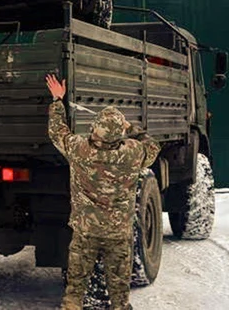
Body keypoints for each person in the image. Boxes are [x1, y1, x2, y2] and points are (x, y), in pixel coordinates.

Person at [46, 73, 160, 310]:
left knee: (75, 289)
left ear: (95, 129)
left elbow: (57, 131)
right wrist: (132, 128)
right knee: (119, 292)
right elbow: (153, 146)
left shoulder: (79, 149)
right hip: (118, 232)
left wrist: (58, 100)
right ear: (120, 134)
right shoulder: (133, 153)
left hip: (85, 231)